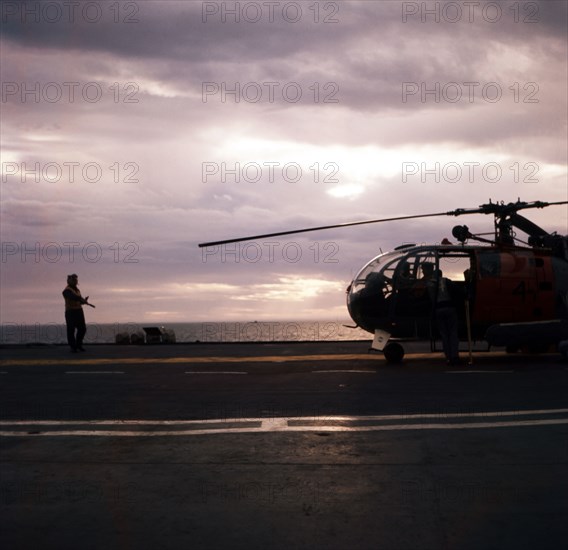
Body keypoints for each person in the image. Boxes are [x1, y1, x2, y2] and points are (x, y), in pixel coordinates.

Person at [428, 269, 461, 365]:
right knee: (453, 333)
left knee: (444, 334)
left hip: (438, 309)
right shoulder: (446, 280)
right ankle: (455, 356)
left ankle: (448, 357)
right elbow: (458, 290)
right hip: (450, 308)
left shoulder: (430, 283)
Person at [62, 274, 90, 352]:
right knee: (71, 330)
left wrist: (83, 301)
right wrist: (81, 299)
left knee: (82, 329)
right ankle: (73, 347)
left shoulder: (77, 290)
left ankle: (78, 345)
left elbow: (78, 301)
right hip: (70, 312)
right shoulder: (66, 291)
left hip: (79, 311)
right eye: (73, 280)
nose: (75, 281)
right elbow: (72, 297)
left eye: (76, 280)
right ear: (69, 281)